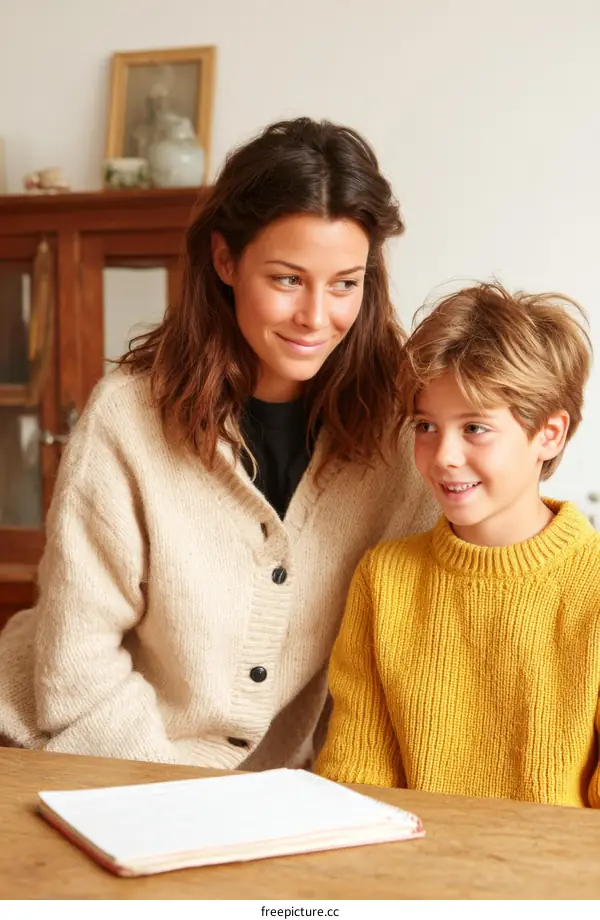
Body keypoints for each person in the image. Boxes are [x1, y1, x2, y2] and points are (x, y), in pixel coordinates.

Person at [0, 117, 436, 768]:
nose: (317, 318)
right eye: (287, 279)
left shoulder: (398, 432)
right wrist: (188, 805)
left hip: (256, 799)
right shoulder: (126, 421)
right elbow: (76, 673)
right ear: (226, 260)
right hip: (74, 753)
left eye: (346, 282)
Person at [316, 281, 600, 808]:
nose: (442, 455)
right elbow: (353, 785)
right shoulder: (385, 578)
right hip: (408, 883)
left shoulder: (594, 587)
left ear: (550, 434)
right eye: (425, 425)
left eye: (474, 427)